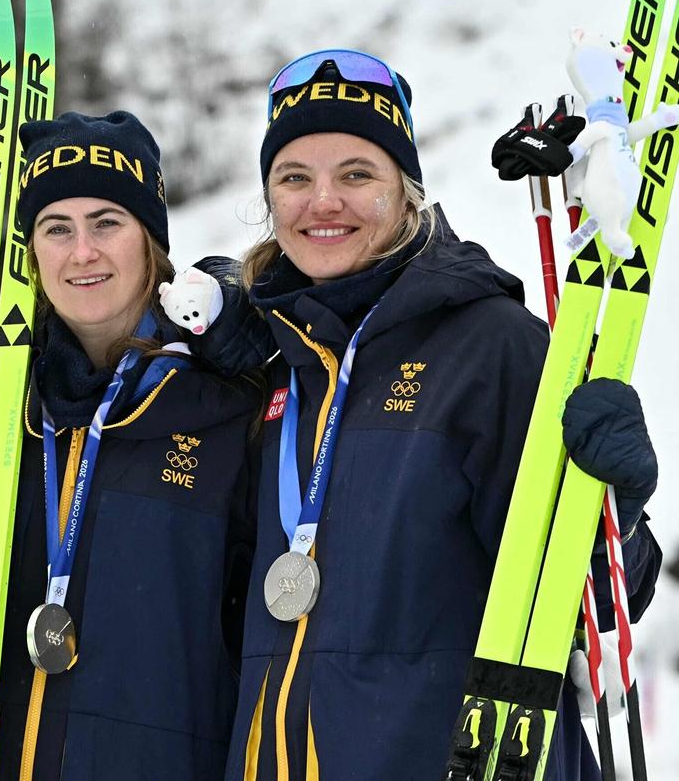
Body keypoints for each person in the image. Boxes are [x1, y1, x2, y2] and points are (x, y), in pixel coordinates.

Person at [227, 49, 663, 780]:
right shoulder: (267, 361)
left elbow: (598, 609)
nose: (322, 202)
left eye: (357, 175)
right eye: (294, 178)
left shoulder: (488, 346)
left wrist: (609, 505)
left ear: (406, 192)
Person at [0, 111, 263, 781]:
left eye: (107, 223)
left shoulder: (229, 403)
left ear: (151, 241)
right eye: (57, 228)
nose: (83, 252)